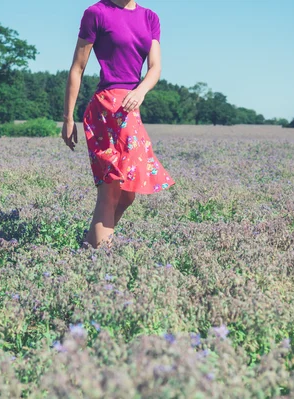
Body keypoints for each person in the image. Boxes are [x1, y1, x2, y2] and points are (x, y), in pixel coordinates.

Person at [61, 0, 175, 249]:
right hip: (106, 108)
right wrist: (68, 118)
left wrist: (141, 90)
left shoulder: (150, 18)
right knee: (111, 188)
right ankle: (100, 258)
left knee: (126, 194)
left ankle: (89, 248)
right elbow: (77, 68)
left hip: (131, 108)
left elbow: (155, 67)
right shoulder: (96, 13)